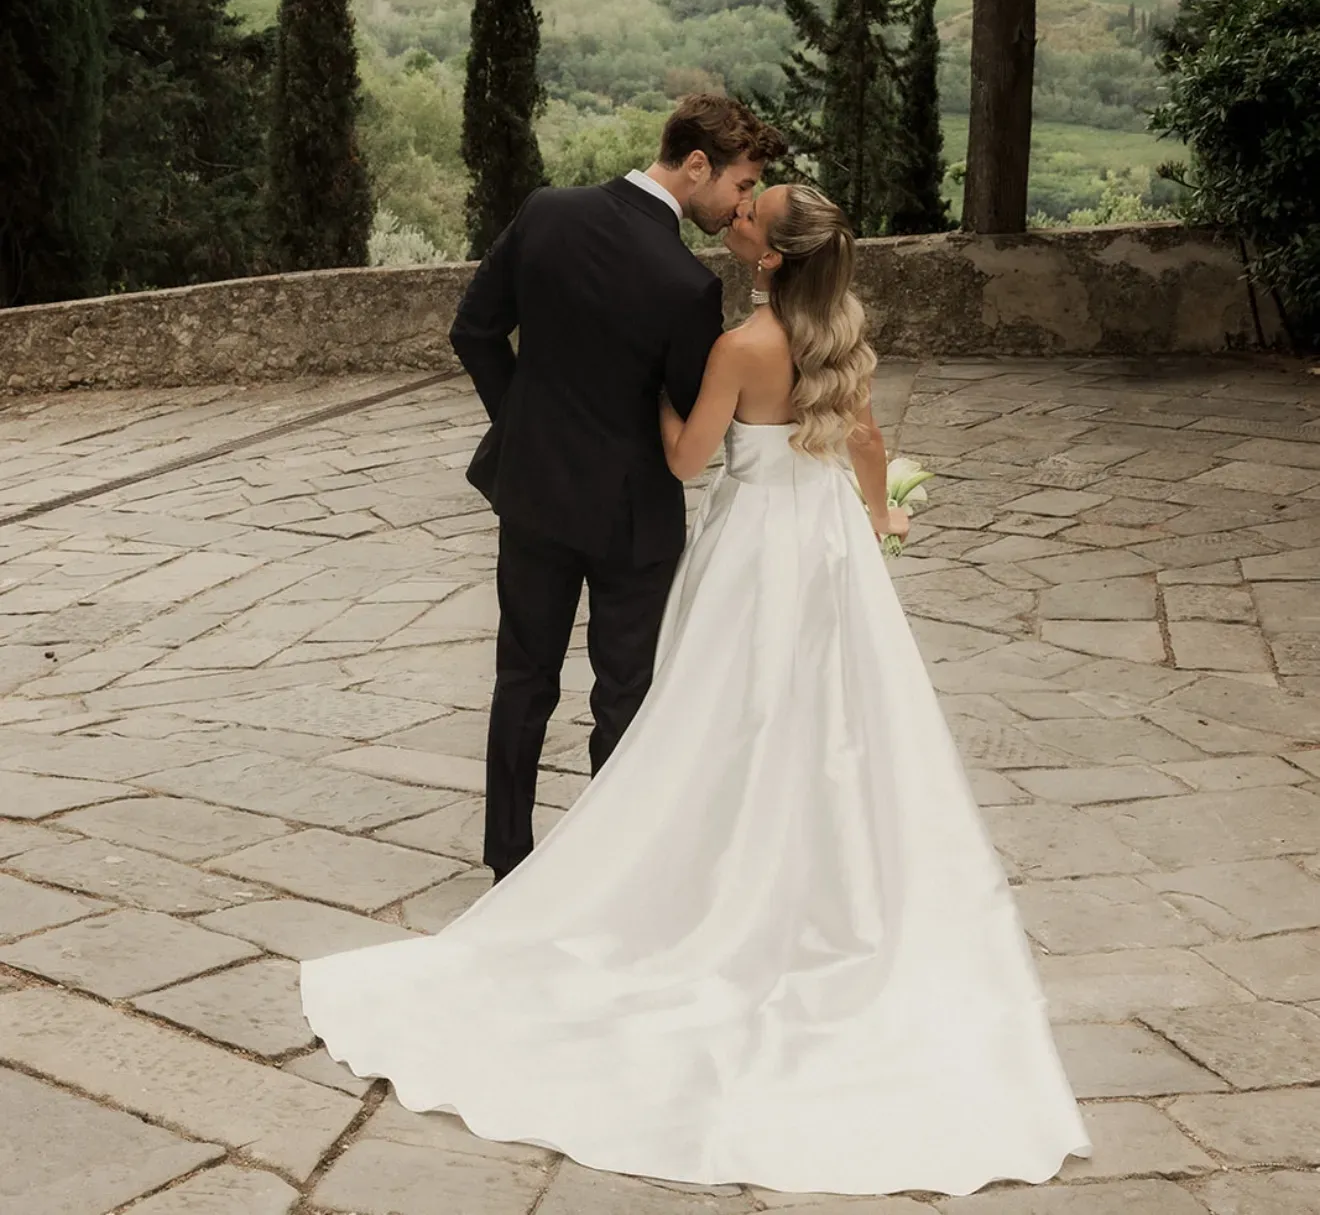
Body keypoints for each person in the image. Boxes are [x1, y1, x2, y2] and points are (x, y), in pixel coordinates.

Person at [302, 182, 1091, 1198]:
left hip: (754, 550)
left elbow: (684, 460)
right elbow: (866, 442)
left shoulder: (740, 349)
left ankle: (713, 873)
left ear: (770, 260)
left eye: (755, 214)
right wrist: (878, 518)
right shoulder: (844, 336)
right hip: (830, 548)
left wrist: (646, 390)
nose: (739, 215)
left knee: (722, 714)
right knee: (842, 720)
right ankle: (832, 884)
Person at [448, 92, 785, 881]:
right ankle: (609, 874)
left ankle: (507, 864)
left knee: (522, 679)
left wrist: (523, 429)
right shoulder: (686, 285)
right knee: (624, 696)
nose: (741, 204)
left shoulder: (546, 212)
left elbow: (474, 330)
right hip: (632, 517)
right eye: (741, 183)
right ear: (696, 164)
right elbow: (689, 416)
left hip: (533, 495)